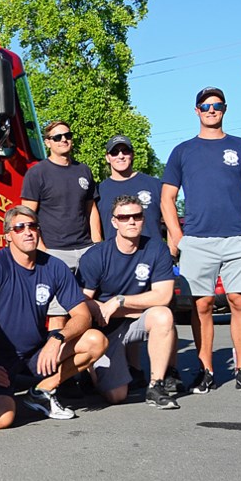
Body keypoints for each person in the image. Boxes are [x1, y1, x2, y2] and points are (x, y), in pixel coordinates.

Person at [161, 86, 241, 395]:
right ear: (196, 110)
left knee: (239, 301)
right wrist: (179, 237)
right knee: (202, 304)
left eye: (217, 105)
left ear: (225, 109)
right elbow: (167, 197)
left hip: (239, 239)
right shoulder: (183, 151)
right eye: (206, 105)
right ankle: (205, 371)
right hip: (197, 239)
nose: (211, 109)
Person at [0, 205, 107, 428]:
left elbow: (83, 315)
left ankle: (42, 390)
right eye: (19, 228)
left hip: (36, 352)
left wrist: (57, 338)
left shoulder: (54, 267)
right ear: (8, 236)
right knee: (2, 420)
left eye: (32, 226)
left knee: (96, 341)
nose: (27, 232)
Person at [76, 195, 180, 409]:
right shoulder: (96, 256)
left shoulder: (157, 249)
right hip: (105, 328)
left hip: (134, 321)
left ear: (143, 219)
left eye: (137, 216)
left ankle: (156, 385)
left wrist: (119, 302)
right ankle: (91, 367)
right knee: (116, 396)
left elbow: (163, 296)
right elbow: (84, 302)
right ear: (114, 222)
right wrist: (113, 309)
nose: (131, 221)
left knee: (163, 315)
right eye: (124, 218)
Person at [94, 134, 173, 390]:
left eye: (125, 151)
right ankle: (125, 369)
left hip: (151, 256)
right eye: (114, 152)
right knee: (123, 311)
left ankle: (167, 372)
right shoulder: (101, 189)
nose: (120, 156)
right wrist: (97, 248)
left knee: (161, 311)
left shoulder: (152, 183)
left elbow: (168, 216)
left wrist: (171, 248)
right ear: (107, 157)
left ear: (132, 154)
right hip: (116, 259)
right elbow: (93, 219)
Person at [20, 120, 101, 330]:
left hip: (86, 250)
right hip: (55, 252)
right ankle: (55, 360)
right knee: (58, 313)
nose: (64, 140)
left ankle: (86, 362)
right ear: (47, 142)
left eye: (67, 135)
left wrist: (97, 245)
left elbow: (91, 210)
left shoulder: (84, 170)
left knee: (88, 310)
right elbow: (27, 215)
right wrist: (42, 251)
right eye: (57, 137)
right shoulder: (37, 173)